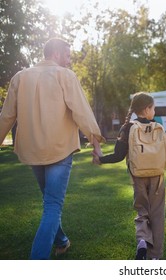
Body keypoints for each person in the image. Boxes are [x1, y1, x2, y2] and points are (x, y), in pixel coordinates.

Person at [0, 38, 105, 259]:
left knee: (49, 202)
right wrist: (95, 143)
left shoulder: (19, 77)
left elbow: (6, 116)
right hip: (59, 150)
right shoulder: (65, 75)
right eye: (68, 55)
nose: (69, 61)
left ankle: (62, 241)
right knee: (52, 206)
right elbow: (82, 111)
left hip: (33, 152)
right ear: (56, 53)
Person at [92, 92, 166, 260]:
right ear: (146, 109)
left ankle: (143, 240)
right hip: (157, 178)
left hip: (138, 176)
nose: (154, 111)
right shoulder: (158, 127)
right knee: (157, 216)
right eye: (153, 108)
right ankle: (155, 256)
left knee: (142, 211)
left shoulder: (127, 127)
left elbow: (118, 155)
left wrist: (100, 159)